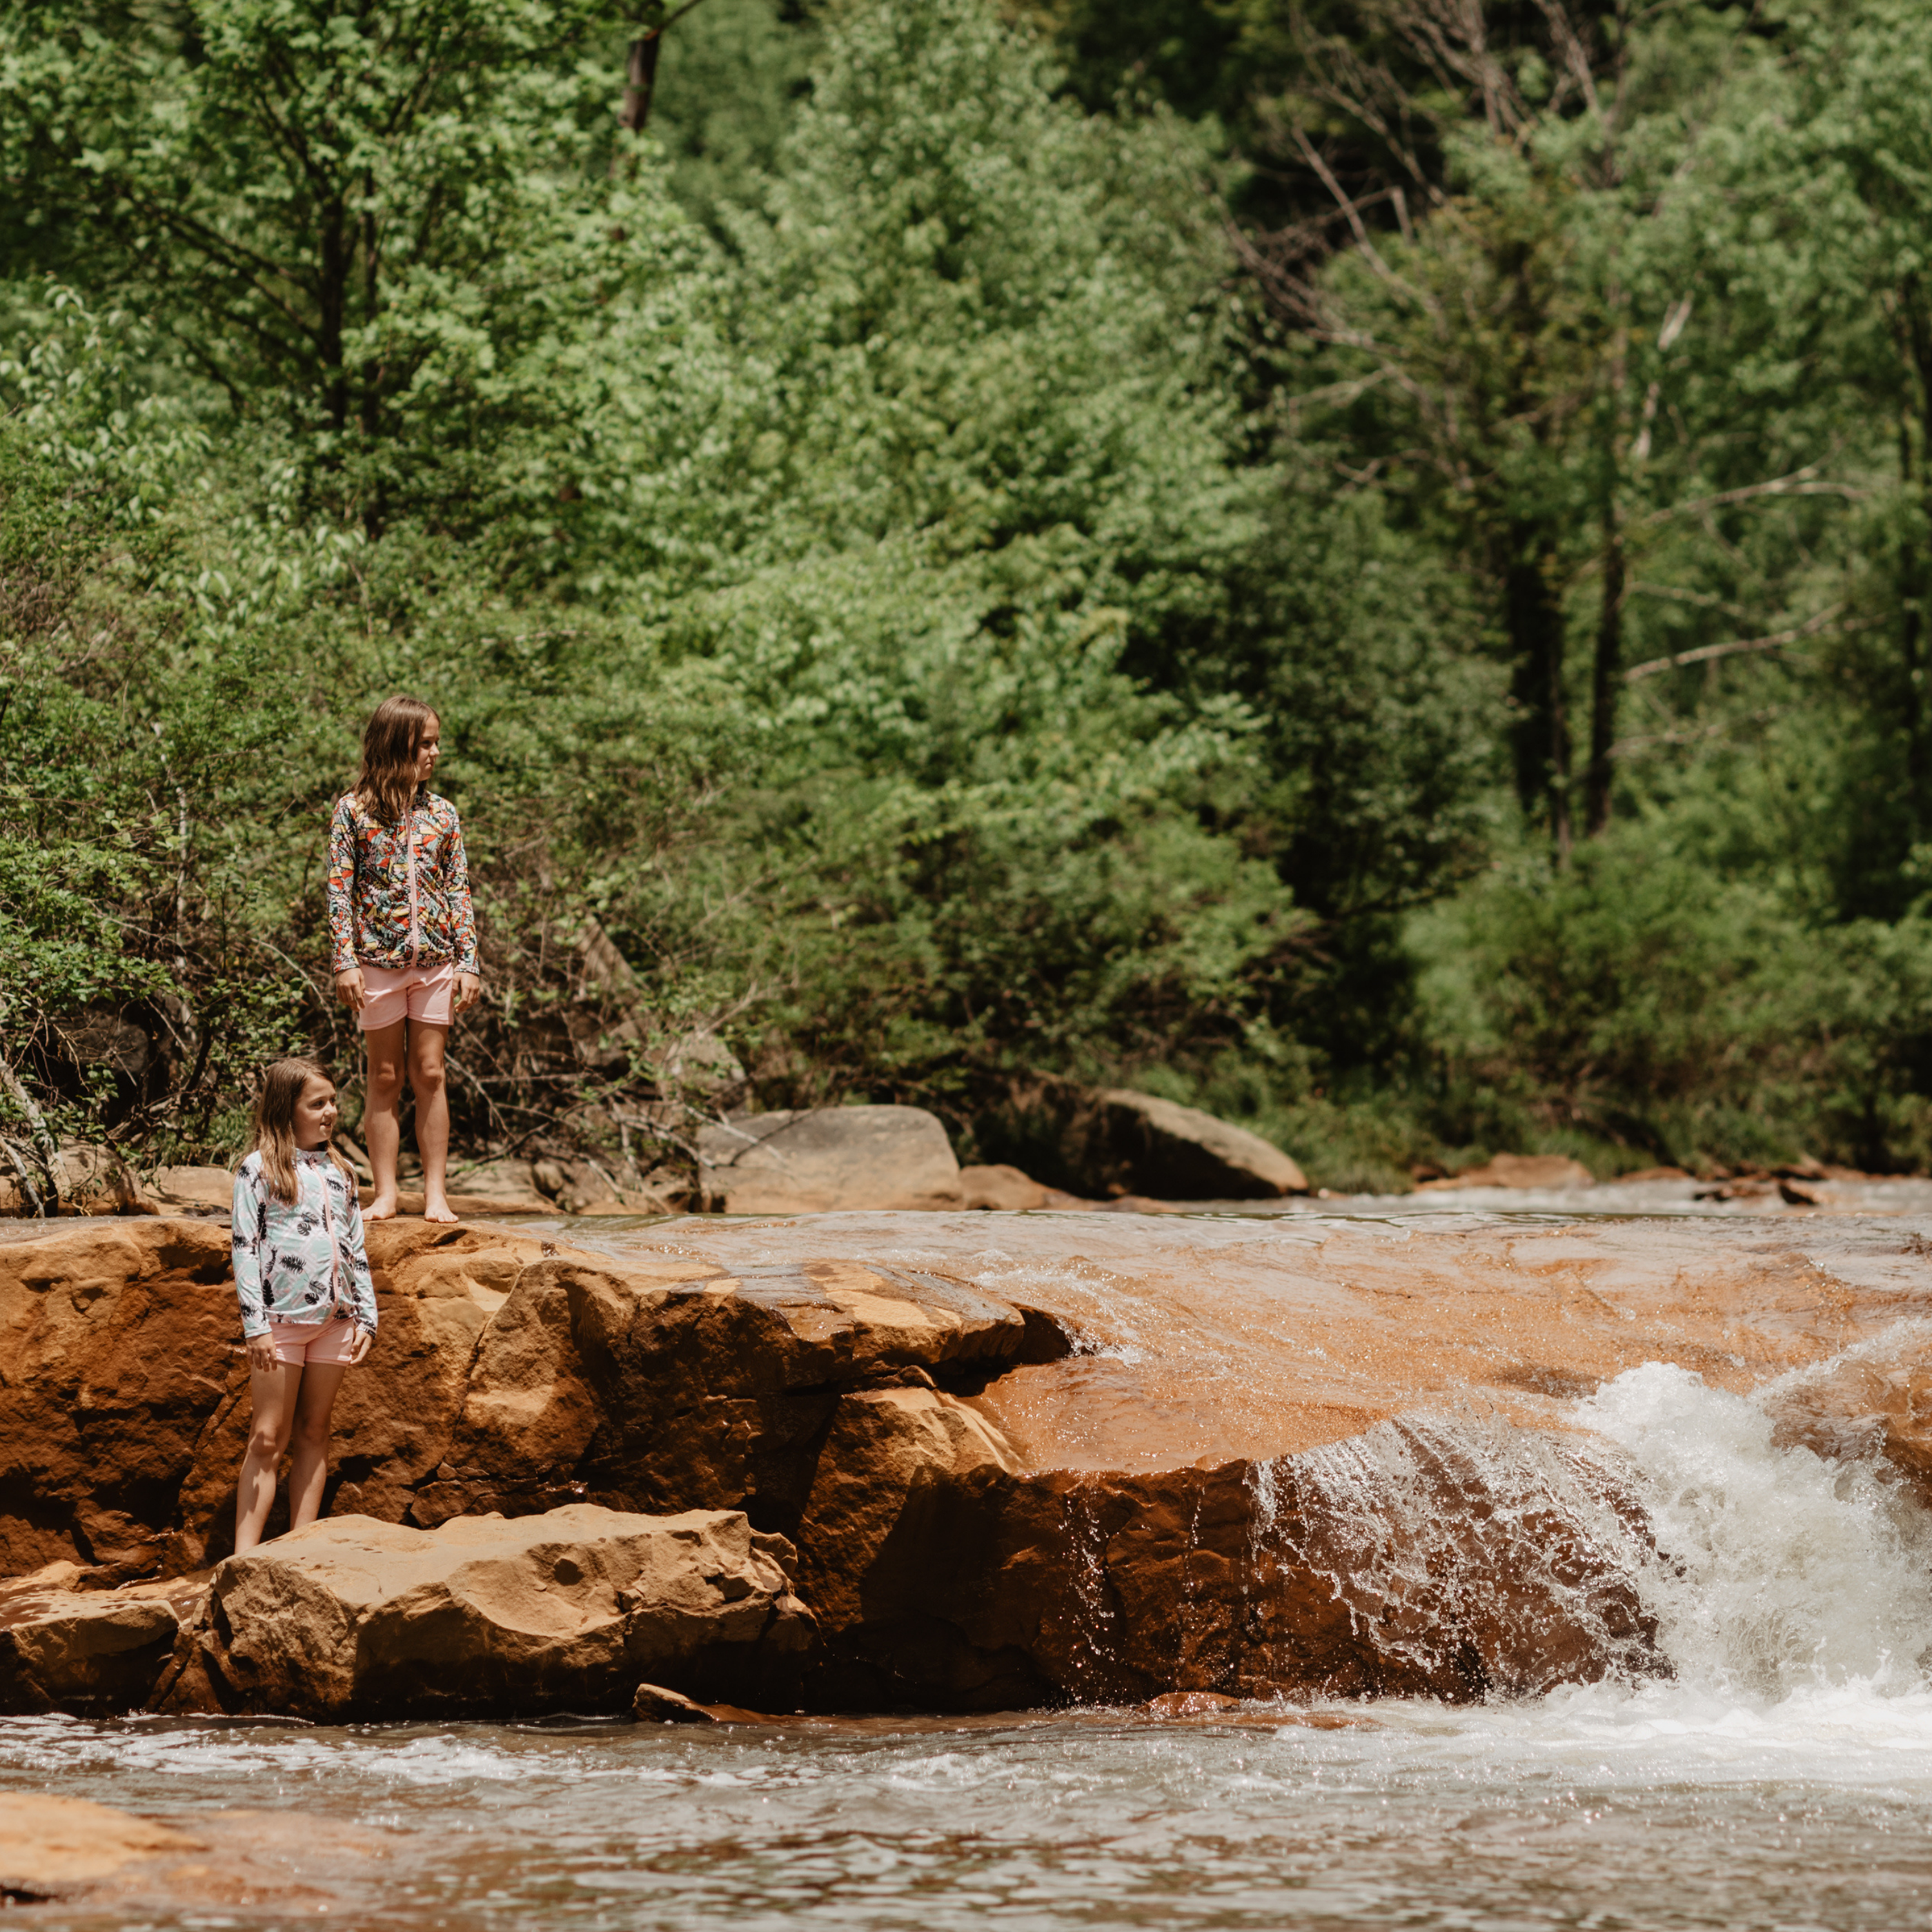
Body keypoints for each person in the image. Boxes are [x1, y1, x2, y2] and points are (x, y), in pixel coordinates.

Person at [327, 695, 481, 1222]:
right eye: (426, 743)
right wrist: (345, 961)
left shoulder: (443, 813)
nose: (436, 753)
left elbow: (458, 888)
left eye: (436, 742)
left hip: (437, 962)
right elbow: (339, 892)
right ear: (398, 745)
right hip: (375, 964)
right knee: (385, 1076)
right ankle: (386, 1193)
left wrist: (469, 963)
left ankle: (436, 1194)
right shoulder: (353, 812)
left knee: (431, 1073)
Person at [230, 1057, 377, 1555]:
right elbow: (244, 1246)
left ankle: (300, 1548)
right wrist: (256, 1326)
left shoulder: (341, 1170)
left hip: (336, 1321)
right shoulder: (259, 1169)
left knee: (315, 1430)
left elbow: (356, 1247)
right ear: (286, 1109)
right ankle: (244, 1557)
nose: (331, 1111)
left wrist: (367, 1317)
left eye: (333, 1102)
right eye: (318, 1104)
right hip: (280, 1323)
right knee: (268, 1437)